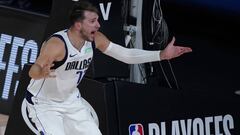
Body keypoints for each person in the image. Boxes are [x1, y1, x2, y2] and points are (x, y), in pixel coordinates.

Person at [25, 0, 192, 135]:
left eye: (97, 20)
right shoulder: (57, 45)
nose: (98, 25)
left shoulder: (95, 39)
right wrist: (41, 72)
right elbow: (34, 70)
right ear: (78, 25)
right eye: (92, 21)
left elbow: (126, 55)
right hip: (44, 104)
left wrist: (161, 55)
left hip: (71, 102)